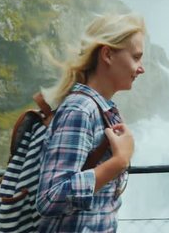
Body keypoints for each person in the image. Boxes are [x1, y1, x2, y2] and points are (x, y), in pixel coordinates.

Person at [36, 13, 146, 232]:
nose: (141, 68)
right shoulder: (80, 110)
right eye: (136, 57)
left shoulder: (101, 111)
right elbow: (50, 198)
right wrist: (119, 161)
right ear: (107, 55)